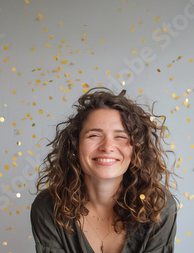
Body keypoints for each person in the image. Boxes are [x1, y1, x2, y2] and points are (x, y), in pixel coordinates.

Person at [30, 88, 177, 253]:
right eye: (94, 135)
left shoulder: (159, 208)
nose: (107, 147)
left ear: (137, 149)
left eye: (121, 137)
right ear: (75, 145)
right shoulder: (49, 207)